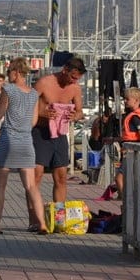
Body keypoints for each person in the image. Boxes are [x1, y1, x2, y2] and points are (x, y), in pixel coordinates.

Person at [0, 57, 49, 234]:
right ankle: (43, 224)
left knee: (0, 185)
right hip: (26, 142)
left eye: (9, 72)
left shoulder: (9, 90)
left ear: (16, 72)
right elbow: (33, 121)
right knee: (31, 186)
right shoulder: (33, 94)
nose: (7, 76)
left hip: (8, 140)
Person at [33, 56, 86, 208]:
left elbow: (80, 111)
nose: (73, 81)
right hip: (40, 132)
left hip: (60, 133)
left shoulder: (75, 88)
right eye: (72, 77)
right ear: (65, 70)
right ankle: (35, 217)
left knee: (61, 176)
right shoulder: (44, 83)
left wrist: (75, 116)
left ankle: (59, 213)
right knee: (37, 175)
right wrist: (43, 113)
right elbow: (26, 105)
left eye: (77, 79)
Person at [112, 87, 140, 200]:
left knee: (119, 178)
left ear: (136, 100)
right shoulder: (139, 115)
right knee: (131, 178)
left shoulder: (135, 117)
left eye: (127, 99)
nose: (125, 101)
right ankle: (126, 198)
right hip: (131, 150)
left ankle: (125, 200)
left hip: (131, 151)